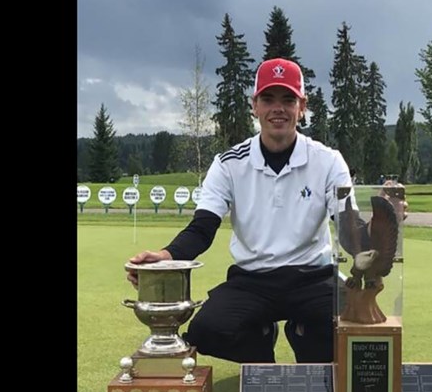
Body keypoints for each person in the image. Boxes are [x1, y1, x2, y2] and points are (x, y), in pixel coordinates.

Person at [126, 58, 352, 364]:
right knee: (207, 330)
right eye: (268, 99)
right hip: (253, 280)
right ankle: (262, 342)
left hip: (313, 277)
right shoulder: (229, 163)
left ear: (302, 107)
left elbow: (349, 227)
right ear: (254, 106)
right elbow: (202, 228)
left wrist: (386, 220)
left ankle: (305, 335)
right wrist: (166, 256)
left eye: (288, 100)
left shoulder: (328, 160)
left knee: (351, 322)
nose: (278, 109)